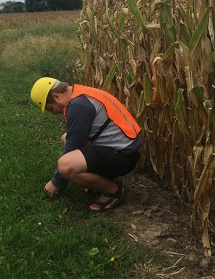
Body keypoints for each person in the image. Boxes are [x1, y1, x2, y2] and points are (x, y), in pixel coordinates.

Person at [30, 77, 142, 212]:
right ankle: (104, 179)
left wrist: (56, 182)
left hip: (123, 157)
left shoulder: (78, 106)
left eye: (51, 108)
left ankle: (114, 191)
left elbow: (73, 147)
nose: (54, 112)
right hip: (122, 151)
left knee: (65, 166)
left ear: (56, 96)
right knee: (65, 138)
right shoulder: (79, 94)